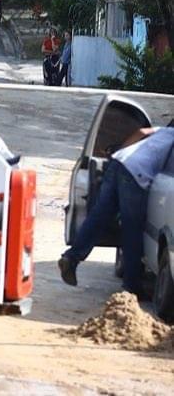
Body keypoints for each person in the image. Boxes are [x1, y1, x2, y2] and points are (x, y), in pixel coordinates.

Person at [59, 125, 174, 295]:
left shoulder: (165, 131)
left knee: (98, 217)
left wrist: (119, 152)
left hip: (118, 162)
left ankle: (71, 257)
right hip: (136, 174)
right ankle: (131, 286)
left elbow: (142, 132)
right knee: (132, 230)